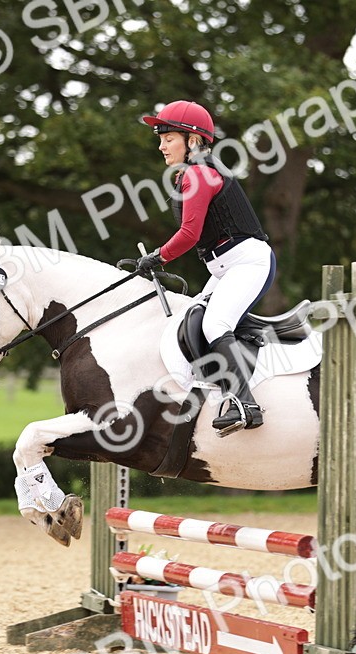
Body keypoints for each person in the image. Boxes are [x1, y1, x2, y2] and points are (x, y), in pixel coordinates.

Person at [136, 100, 275, 435]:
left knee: (214, 324)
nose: (161, 145)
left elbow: (188, 235)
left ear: (193, 140)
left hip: (247, 262)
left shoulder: (198, 174)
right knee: (192, 320)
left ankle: (245, 404)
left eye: (168, 137)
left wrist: (158, 256)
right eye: (161, 138)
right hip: (225, 267)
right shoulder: (194, 173)